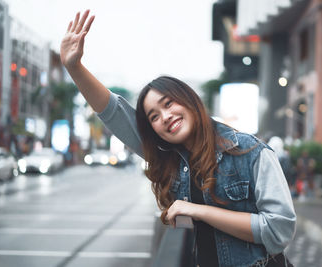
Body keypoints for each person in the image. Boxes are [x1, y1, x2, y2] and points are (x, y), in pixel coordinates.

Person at [60, 10, 296, 267]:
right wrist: (74, 67)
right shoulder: (169, 158)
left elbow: (278, 230)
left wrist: (199, 211)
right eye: (153, 116)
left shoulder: (252, 153)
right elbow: (115, 114)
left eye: (169, 103)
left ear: (189, 99)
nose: (165, 116)